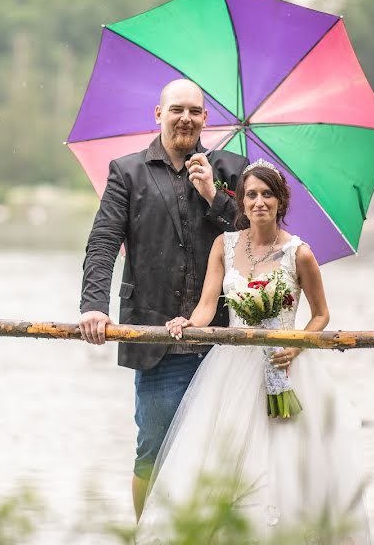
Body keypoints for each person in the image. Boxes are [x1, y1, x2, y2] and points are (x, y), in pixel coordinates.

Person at [135, 160, 372, 544]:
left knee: (285, 462)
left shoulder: (300, 254)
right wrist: (188, 323)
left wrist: (294, 347)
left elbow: (321, 315)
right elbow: (208, 305)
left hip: (285, 364)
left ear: (281, 202)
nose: (259, 202)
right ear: (241, 203)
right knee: (223, 459)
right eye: (251, 195)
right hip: (232, 367)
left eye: (267, 194)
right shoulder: (223, 245)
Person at [78, 79, 248, 519]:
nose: (185, 118)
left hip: (222, 341)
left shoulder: (232, 170)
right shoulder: (127, 171)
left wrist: (216, 196)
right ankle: (146, 534)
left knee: (220, 454)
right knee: (153, 451)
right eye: (177, 109)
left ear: (206, 119)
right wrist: (93, 305)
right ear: (159, 115)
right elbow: (102, 242)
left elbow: (257, 243)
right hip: (155, 339)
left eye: (195, 110)